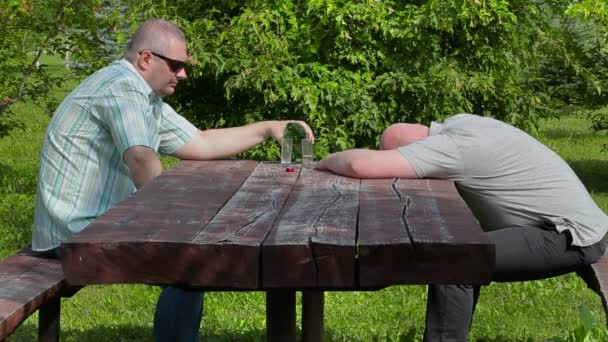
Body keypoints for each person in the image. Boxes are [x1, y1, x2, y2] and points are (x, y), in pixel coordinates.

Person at [31, 19, 314, 342]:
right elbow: (140, 157)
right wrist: (175, 222)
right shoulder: (121, 89)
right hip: (74, 233)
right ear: (146, 59)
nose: (183, 74)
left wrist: (269, 127)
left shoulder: (142, 97)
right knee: (189, 261)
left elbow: (200, 142)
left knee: (192, 249)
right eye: (176, 65)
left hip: (92, 224)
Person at [316, 113, 608, 341]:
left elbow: (359, 167)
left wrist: (323, 161)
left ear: (417, 148)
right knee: (464, 250)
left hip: (567, 234)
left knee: (455, 262)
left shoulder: (452, 147)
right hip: (573, 224)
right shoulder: (461, 124)